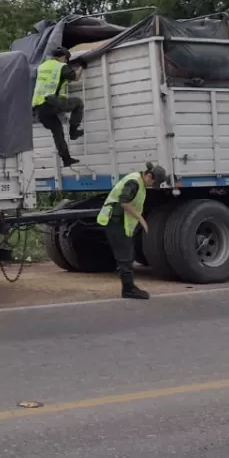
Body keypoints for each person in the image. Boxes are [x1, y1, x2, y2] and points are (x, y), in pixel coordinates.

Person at [96, 162, 167, 300]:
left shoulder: (139, 182)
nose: (152, 185)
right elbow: (124, 202)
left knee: (127, 254)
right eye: (153, 182)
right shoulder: (134, 182)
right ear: (148, 175)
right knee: (125, 256)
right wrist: (141, 219)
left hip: (121, 222)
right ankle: (128, 289)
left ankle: (129, 287)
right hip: (115, 221)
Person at [32, 47, 84, 167]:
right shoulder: (60, 67)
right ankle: (73, 132)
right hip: (51, 102)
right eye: (66, 59)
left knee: (57, 131)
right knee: (78, 103)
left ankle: (66, 159)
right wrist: (82, 66)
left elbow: (55, 80)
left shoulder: (42, 66)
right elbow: (75, 77)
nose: (66, 62)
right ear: (62, 57)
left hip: (39, 108)